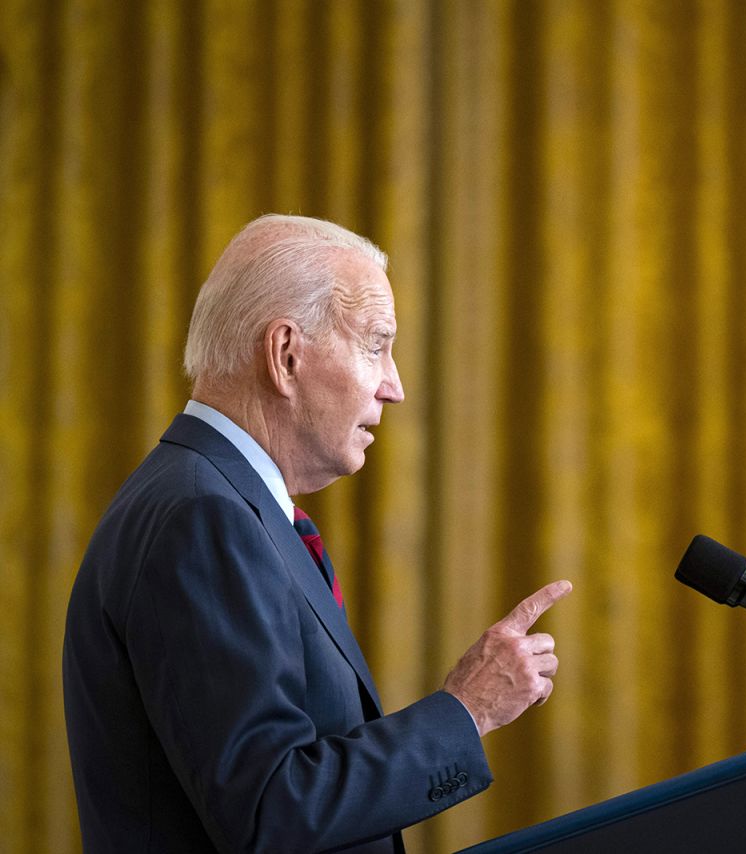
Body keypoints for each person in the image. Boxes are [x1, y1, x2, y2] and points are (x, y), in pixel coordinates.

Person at [62, 214, 572, 853]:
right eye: (376, 344)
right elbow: (272, 812)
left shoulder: (225, 503)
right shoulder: (203, 518)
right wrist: (466, 711)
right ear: (285, 355)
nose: (396, 386)